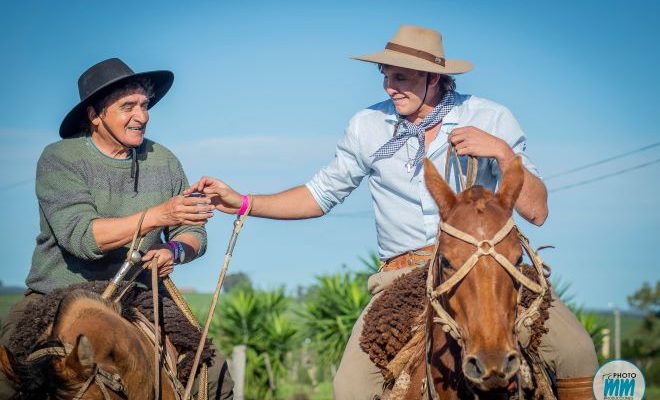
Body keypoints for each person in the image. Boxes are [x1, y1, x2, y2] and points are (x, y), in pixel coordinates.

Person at [187, 26, 598, 399]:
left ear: (433, 78)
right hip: (402, 276)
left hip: (490, 272)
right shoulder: (368, 126)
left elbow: (537, 210)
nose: (389, 87)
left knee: (576, 352)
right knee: (349, 387)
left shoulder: (490, 117)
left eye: (400, 77)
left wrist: (503, 153)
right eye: (385, 75)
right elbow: (319, 194)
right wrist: (243, 202)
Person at [0, 58, 233, 399]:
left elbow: (193, 232)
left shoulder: (164, 160)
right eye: (128, 107)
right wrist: (158, 215)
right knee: (11, 377)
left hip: (140, 293)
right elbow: (82, 237)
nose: (142, 116)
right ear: (95, 115)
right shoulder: (60, 159)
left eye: (144, 105)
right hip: (57, 295)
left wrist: (175, 250)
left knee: (214, 377)